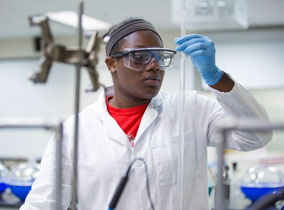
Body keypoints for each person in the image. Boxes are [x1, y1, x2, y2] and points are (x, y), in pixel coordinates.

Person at [20, 18, 272, 210]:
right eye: (140, 57)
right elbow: (43, 203)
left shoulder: (192, 108)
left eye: (160, 57)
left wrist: (217, 78)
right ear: (112, 64)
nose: (154, 66)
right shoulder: (74, 130)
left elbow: (256, 136)